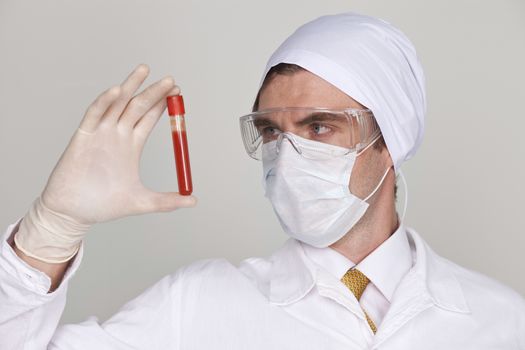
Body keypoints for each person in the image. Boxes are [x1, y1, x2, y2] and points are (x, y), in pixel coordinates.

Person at [1, 12, 524, 350]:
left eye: (319, 127)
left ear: (389, 139)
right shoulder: (200, 305)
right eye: (271, 131)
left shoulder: (504, 323)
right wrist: (49, 233)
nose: (288, 154)